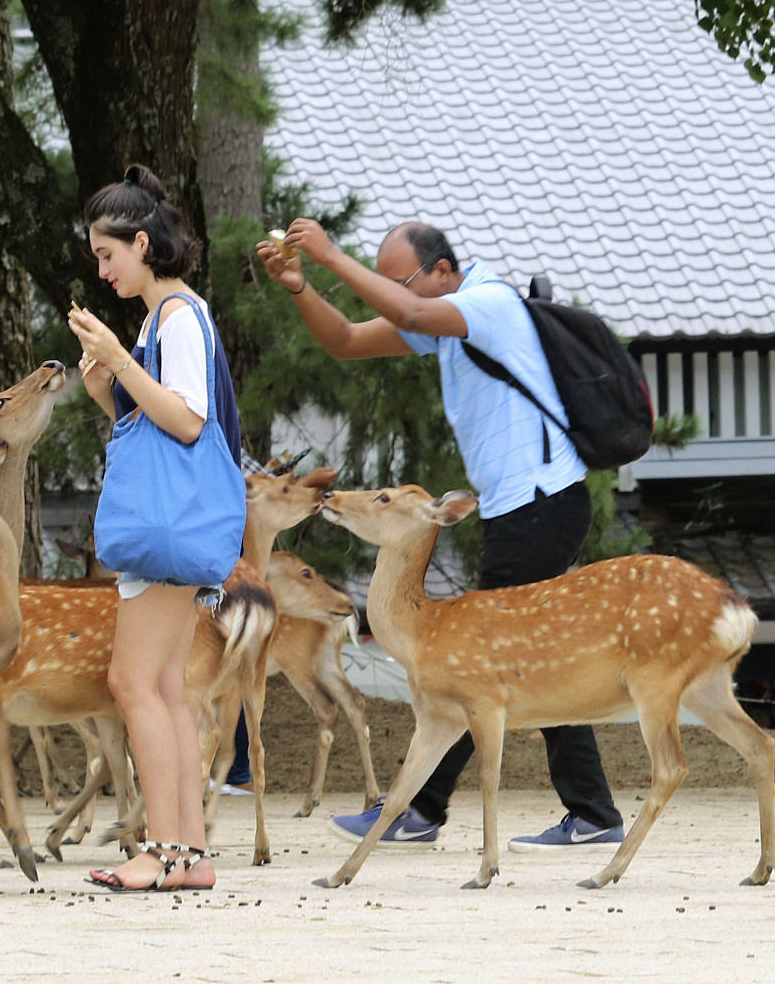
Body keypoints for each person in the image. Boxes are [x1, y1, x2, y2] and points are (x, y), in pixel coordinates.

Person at [257, 219, 625, 850]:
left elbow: (406, 310)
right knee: (499, 659)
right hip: (522, 508)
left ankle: (426, 808)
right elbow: (345, 339)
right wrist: (300, 286)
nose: (394, 292)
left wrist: (329, 255)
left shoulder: (486, 304)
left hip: (539, 501)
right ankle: (579, 811)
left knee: (474, 662)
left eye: (401, 278)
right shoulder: (443, 310)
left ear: (443, 271)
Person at [68, 165, 244, 892]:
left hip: (166, 532)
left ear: (142, 243)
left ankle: (164, 848)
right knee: (165, 685)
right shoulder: (168, 317)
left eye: (108, 255)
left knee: (133, 680)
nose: (103, 269)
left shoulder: (173, 317)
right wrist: (109, 388)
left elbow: (187, 419)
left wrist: (115, 360)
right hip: (180, 525)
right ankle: (187, 853)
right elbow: (160, 426)